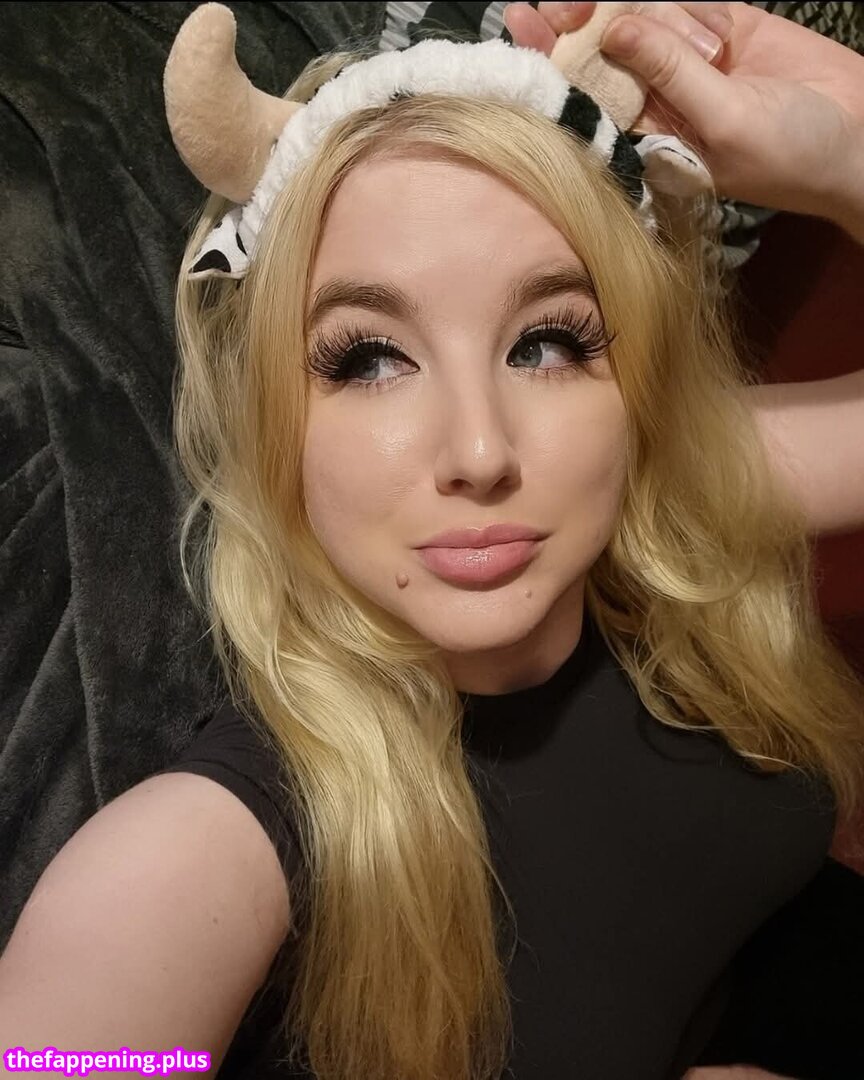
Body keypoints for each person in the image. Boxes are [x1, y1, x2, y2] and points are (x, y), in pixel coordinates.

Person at [0, 5, 862, 1080]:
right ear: (271, 417)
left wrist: (849, 151)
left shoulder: (652, 497)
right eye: (368, 360)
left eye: (547, 343)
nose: (481, 451)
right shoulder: (183, 864)